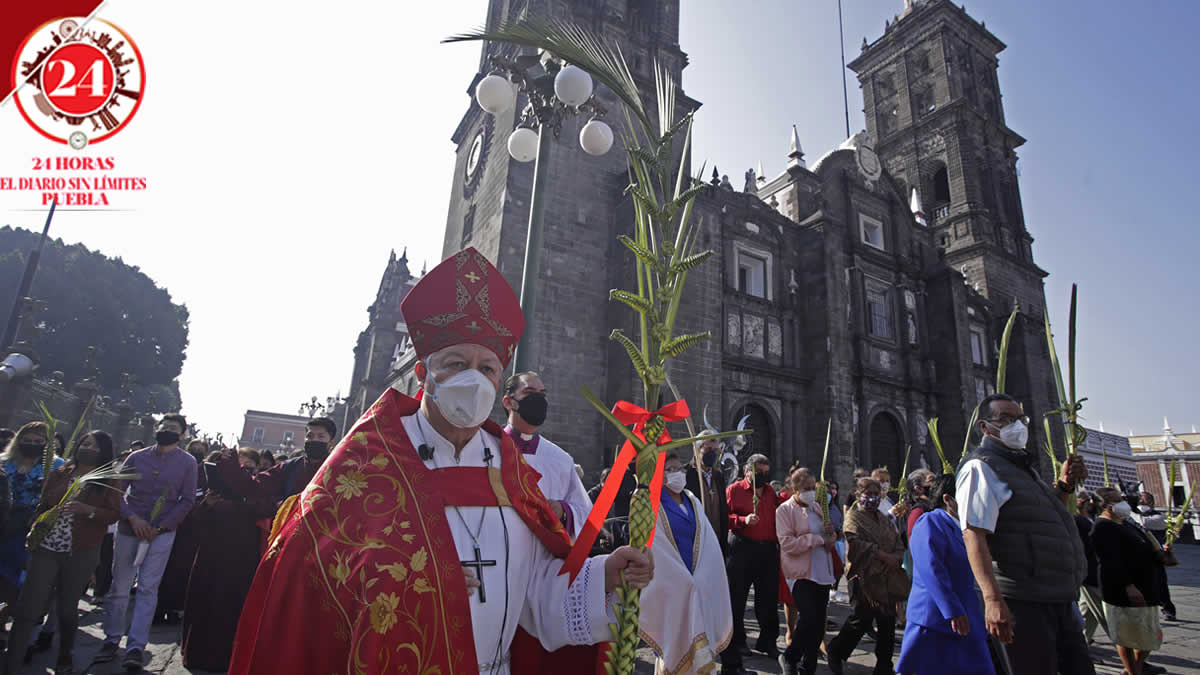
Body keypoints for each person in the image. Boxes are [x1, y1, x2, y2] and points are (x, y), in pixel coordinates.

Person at [227, 247, 653, 675]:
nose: (473, 378)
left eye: (486, 367)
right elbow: (309, 588)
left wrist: (603, 575)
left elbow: (535, 601)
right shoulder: (365, 465)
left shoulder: (511, 472)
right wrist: (403, 590)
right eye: (455, 363)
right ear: (422, 375)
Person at [956, 393, 1092, 675]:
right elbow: (973, 534)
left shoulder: (1025, 469)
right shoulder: (980, 467)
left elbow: (1037, 518)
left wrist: (1064, 487)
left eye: (1020, 419)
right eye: (1005, 419)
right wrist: (992, 600)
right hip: (1022, 598)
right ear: (983, 427)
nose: (1016, 426)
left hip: (1056, 596)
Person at [4, 430, 120, 675]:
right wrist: (37, 523)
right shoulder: (60, 472)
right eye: (85, 443)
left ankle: (65, 655)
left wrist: (86, 509)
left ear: (104, 453)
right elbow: (44, 504)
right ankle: (11, 665)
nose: (88, 448)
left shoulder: (109, 479)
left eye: (95, 446)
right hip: (47, 546)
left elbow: (113, 514)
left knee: (67, 609)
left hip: (80, 550)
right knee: (27, 609)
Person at [96, 413, 198, 671]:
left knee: (148, 589)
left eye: (173, 428)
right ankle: (111, 638)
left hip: (161, 533)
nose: (167, 430)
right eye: (164, 427)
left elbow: (187, 500)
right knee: (119, 587)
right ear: (156, 430)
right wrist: (132, 518)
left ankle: (136, 646)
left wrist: (162, 526)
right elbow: (118, 491)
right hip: (131, 528)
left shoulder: (187, 463)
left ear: (183, 435)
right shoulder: (137, 457)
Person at [180, 452, 276, 670]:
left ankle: (227, 658)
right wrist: (208, 504)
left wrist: (236, 505)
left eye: (247, 467)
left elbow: (267, 509)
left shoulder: (259, 490)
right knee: (203, 602)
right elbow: (196, 521)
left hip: (241, 559)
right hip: (210, 555)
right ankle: (197, 654)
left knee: (231, 607)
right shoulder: (213, 492)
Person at [640, 451, 732, 674]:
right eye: (671, 470)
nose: (678, 474)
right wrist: (681, 578)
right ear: (660, 475)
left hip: (697, 583)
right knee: (674, 641)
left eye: (680, 469)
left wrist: (704, 573)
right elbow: (655, 545)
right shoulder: (653, 503)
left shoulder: (692, 500)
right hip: (672, 585)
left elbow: (707, 541)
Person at [896, 473, 993, 675]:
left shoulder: (969, 529)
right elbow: (932, 569)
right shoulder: (930, 522)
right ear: (949, 499)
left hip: (968, 615)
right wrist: (952, 609)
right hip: (936, 618)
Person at [826, 477, 909, 675]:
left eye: (876, 494)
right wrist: (882, 556)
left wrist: (896, 557)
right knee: (860, 620)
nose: (873, 498)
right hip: (864, 577)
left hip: (886, 577)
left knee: (887, 623)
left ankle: (884, 666)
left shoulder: (882, 518)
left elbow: (897, 540)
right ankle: (836, 651)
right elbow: (855, 543)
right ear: (858, 494)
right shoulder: (854, 517)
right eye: (868, 494)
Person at [501, 371, 592, 535]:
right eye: (529, 393)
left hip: (545, 556)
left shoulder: (561, 459)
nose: (538, 400)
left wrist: (563, 511)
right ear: (509, 402)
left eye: (542, 394)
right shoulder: (488, 448)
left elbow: (585, 512)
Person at [0, 422, 65, 634]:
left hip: (32, 527)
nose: (31, 444)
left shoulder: (56, 467)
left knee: (17, 578)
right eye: (27, 440)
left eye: (38, 441)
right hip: (4, 522)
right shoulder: (4, 462)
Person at [1092, 487, 1162, 675]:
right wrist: (1128, 585)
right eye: (1116, 500)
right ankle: (1133, 671)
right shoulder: (1102, 527)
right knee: (1126, 635)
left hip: (1145, 584)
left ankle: (1135, 668)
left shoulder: (1126, 523)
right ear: (1105, 506)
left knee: (1150, 635)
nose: (1123, 502)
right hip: (1121, 589)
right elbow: (1110, 559)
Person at [722, 453, 781, 672]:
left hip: (766, 550)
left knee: (768, 598)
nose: (763, 477)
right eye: (759, 473)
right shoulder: (734, 490)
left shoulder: (770, 491)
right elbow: (724, 517)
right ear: (748, 471)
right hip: (742, 547)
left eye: (766, 473)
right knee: (737, 598)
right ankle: (738, 641)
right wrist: (742, 520)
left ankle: (768, 641)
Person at [776, 468, 836, 675]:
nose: (811, 492)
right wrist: (818, 539)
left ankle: (808, 665)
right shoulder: (784, 510)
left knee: (819, 624)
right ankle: (790, 656)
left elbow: (829, 540)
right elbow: (787, 543)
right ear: (795, 489)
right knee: (808, 617)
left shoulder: (818, 508)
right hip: (801, 573)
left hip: (822, 571)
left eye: (813, 488)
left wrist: (830, 535)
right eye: (806, 489)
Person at [215, 417, 338, 510]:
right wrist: (230, 463)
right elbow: (255, 486)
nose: (314, 440)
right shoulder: (290, 467)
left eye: (321, 436)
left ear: (331, 442)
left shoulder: (340, 469)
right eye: (310, 436)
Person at [684, 430, 730, 559]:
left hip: (715, 542)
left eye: (715, 450)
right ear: (696, 449)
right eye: (708, 448)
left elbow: (723, 512)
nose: (712, 453)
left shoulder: (718, 477)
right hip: (694, 543)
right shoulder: (686, 475)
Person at [1132, 492, 1175, 622]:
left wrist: (1129, 511)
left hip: (1155, 555)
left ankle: (1167, 609)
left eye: (1143, 498)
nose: (1140, 500)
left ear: (1151, 502)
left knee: (1160, 584)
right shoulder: (1133, 514)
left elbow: (1143, 523)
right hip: (1138, 555)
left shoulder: (1159, 517)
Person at [1075, 491, 1106, 644]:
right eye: (1081, 498)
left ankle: (1080, 644)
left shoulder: (1092, 519)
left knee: (1087, 613)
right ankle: (1130, 654)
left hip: (1097, 570)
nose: (1086, 501)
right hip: (1090, 572)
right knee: (1106, 615)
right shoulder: (1076, 520)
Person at [904, 468, 935, 540]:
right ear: (919, 488)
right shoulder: (918, 512)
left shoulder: (936, 506)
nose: (936, 483)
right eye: (932, 480)